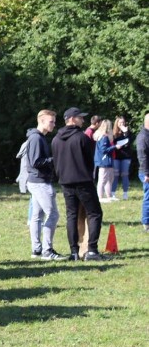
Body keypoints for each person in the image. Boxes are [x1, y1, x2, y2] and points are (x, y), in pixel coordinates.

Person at [51, 107, 105, 260]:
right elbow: (90, 159)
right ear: (72, 119)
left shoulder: (55, 139)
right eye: (80, 118)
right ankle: (92, 250)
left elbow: (56, 162)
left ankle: (74, 251)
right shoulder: (81, 137)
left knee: (72, 216)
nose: (83, 120)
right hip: (83, 181)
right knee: (95, 213)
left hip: (65, 182)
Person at [25, 110, 65, 260]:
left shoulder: (39, 137)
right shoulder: (36, 138)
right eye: (51, 121)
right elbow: (36, 162)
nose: (54, 124)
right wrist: (54, 159)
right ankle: (47, 251)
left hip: (37, 181)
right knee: (53, 214)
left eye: (54, 121)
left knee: (37, 216)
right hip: (39, 182)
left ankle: (36, 250)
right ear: (41, 121)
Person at [94, 119, 116, 202]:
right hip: (103, 161)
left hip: (107, 161)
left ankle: (109, 195)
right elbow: (104, 150)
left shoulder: (104, 136)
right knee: (102, 179)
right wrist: (115, 147)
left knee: (109, 178)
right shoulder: (103, 137)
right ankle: (100, 197)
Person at [111, 116, 132, 200]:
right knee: (115, 175)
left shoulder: (127, 132)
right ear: (117, 123)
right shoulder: (113, 133)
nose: (122, 124)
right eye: (120, 122)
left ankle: (125, 193)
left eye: (123, 122)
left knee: (125, 174)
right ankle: (112, 193)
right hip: (116, 156)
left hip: (125, 157)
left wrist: (125, 133)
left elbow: (128, 143)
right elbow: (113, 142)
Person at [136, 113, 149, 231]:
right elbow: (142, 156)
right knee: (148, 197)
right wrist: (146, 173)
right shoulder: (143, 137)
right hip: (146, 172)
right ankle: (146, 223)